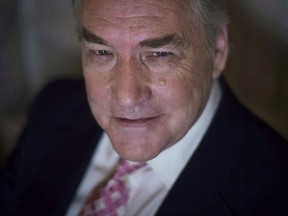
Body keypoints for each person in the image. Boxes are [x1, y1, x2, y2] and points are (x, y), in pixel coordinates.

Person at [1, 0, 288, 215]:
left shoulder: (276, 193)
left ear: (218, 50)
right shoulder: (55, 107)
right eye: (102, 52)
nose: (127, 97)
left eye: (159, 54)